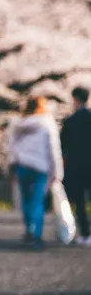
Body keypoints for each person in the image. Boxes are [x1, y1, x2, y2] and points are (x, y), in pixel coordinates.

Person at [6, 96, 63, 250]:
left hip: (22, 165)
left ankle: (28, 230)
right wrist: (57, 171)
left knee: (25, 200)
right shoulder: (46, 123)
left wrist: (11, 165)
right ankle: (36, 234)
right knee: (38, 201)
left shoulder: (17, 124)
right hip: (40, 167)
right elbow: (54, 148)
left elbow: (11, 147)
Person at [61, 86, 91, 246]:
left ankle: (86, 233)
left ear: (75, 99)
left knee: (79, 201)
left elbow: (63, 145)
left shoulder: (70, 121)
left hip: (76, 167)